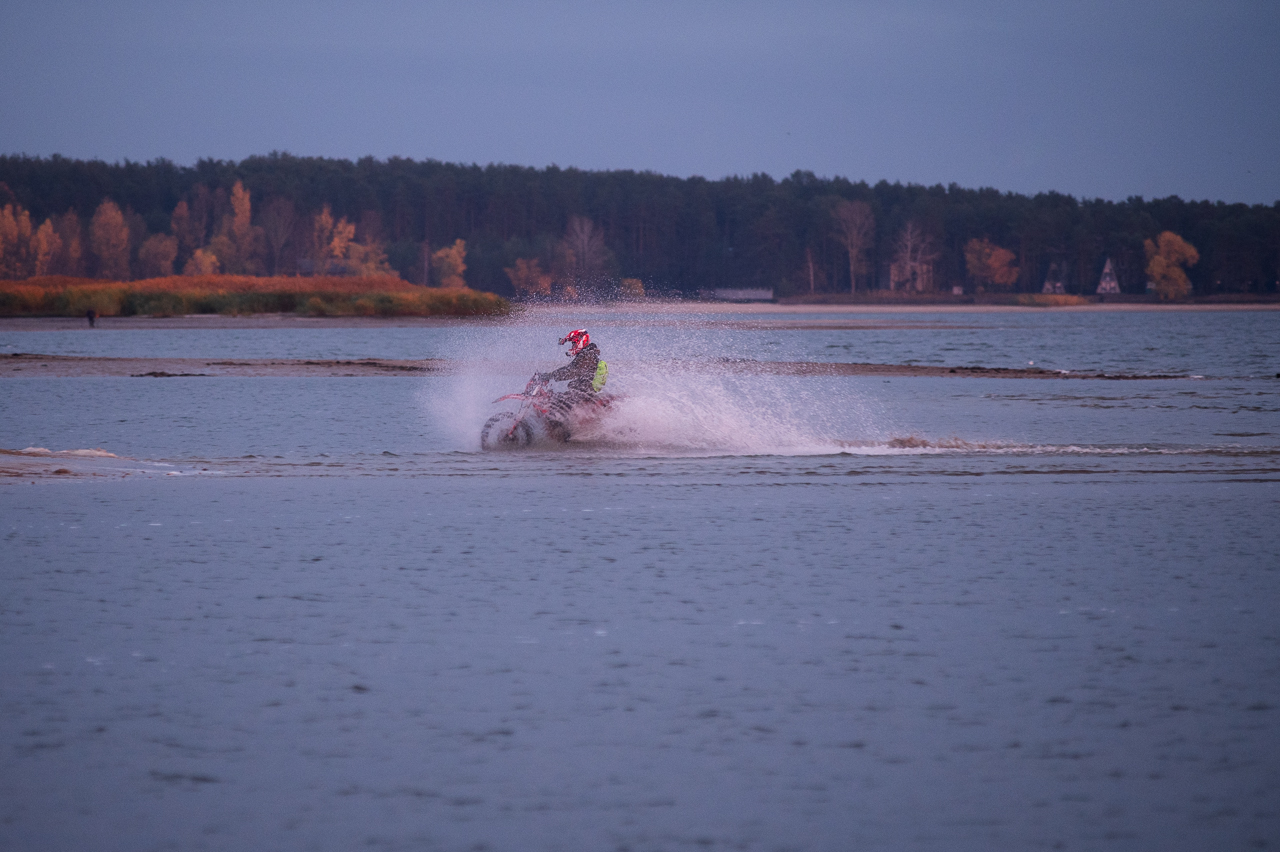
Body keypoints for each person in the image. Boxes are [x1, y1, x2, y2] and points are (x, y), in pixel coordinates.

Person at [536, 329, 608, 428]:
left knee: (559, 401)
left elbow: (571, 371)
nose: (572, 347)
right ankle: (559, 423)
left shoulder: (587, 356)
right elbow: (571, 369)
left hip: (585, 390)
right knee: (558, 397)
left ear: (580, 342)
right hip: (584, 389)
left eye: (573, 343)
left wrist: (549, 376)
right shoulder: (586, 354)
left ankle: (560, 425)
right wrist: (550, 375)